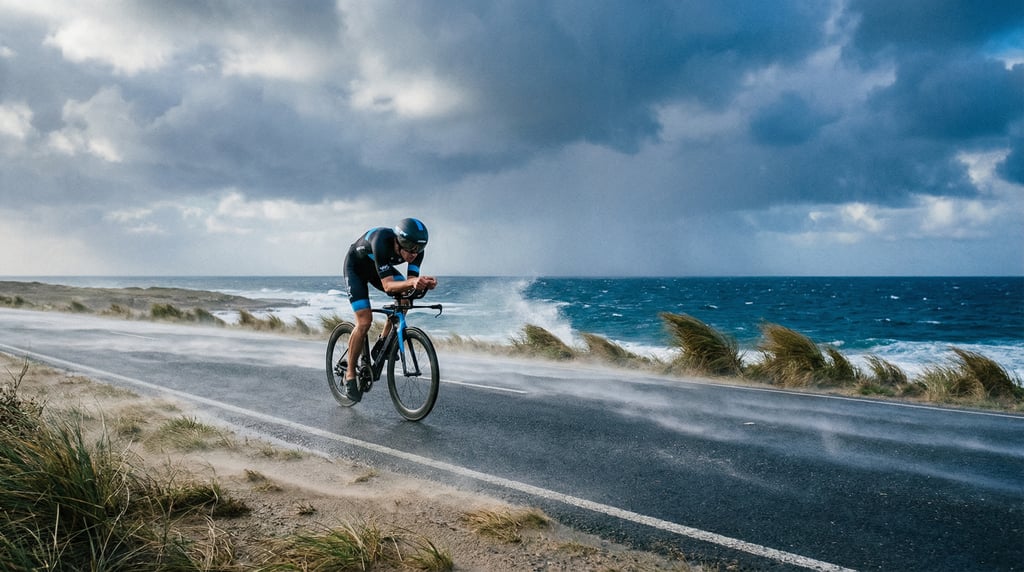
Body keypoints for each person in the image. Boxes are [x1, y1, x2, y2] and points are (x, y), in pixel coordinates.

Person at [341, 217, 437, 402]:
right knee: (364, 321)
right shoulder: (381, 241)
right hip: (356, 268)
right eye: (409, 246)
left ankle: (382, 342)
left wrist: (423, 284)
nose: (414, 253)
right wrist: (412, 282)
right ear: (399, 241)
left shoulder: (417, 252)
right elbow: (388, 286)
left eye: (419, 248)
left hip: (378, 268)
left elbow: (410, 284)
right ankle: (350, 374)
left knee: (406, 299)